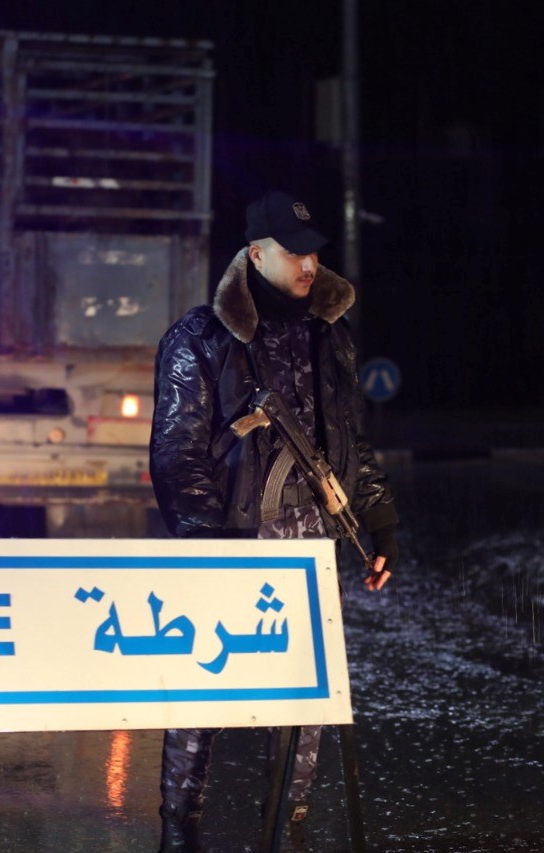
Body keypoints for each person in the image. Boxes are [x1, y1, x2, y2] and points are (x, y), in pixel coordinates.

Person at [149, 190, 400, 850]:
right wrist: (206, 543)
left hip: (311, 540)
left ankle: (289, 829)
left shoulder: (329, 332)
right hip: (230, 537)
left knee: (305, 698)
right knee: (202, 691)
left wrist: (379, 520)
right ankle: (180, 829)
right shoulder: (201, 337)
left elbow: (348, 439)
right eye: (294, 253)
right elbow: (177, 452)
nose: (309, 264)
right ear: (256, 255)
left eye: (313, 251)